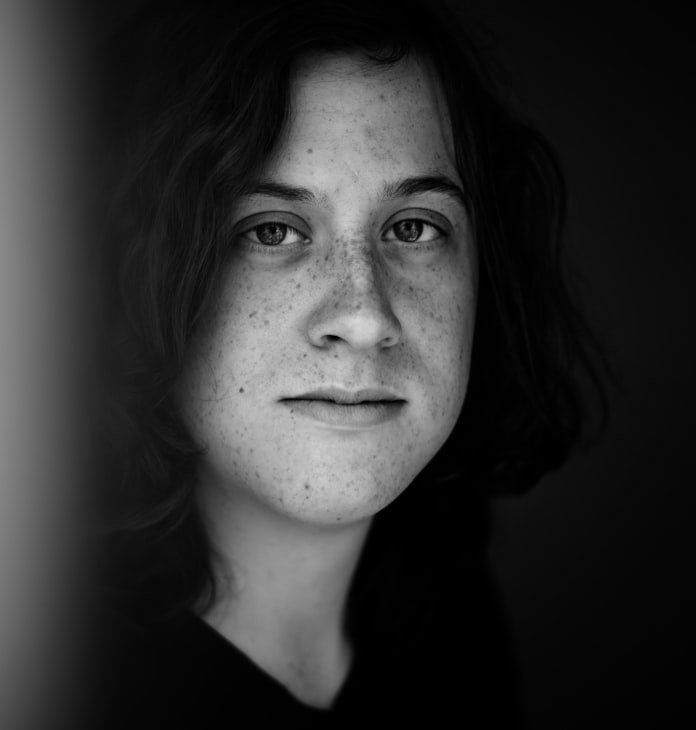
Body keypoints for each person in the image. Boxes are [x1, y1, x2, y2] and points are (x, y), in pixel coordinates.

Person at [86, 0, 606, 727]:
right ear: (139, 273)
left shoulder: (450, 619)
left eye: (415, 227)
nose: (366, 315)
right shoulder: (24, 679)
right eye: (273, 230)